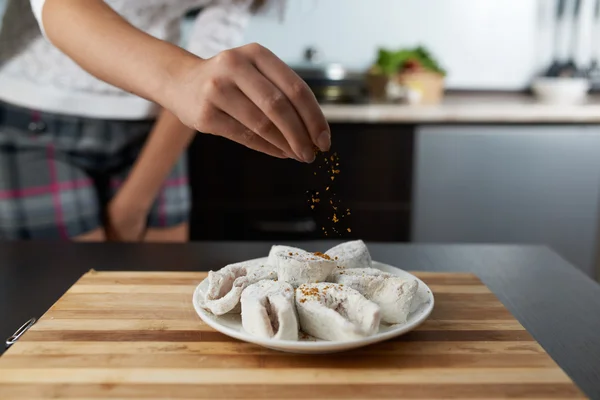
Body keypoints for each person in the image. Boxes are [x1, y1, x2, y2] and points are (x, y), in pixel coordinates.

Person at [0, 0, 330, 242]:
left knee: (158, 294)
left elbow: (207, 66)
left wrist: (134, 205)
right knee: (68, 307)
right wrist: (181, 78)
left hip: (155, 122)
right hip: (36, 118)